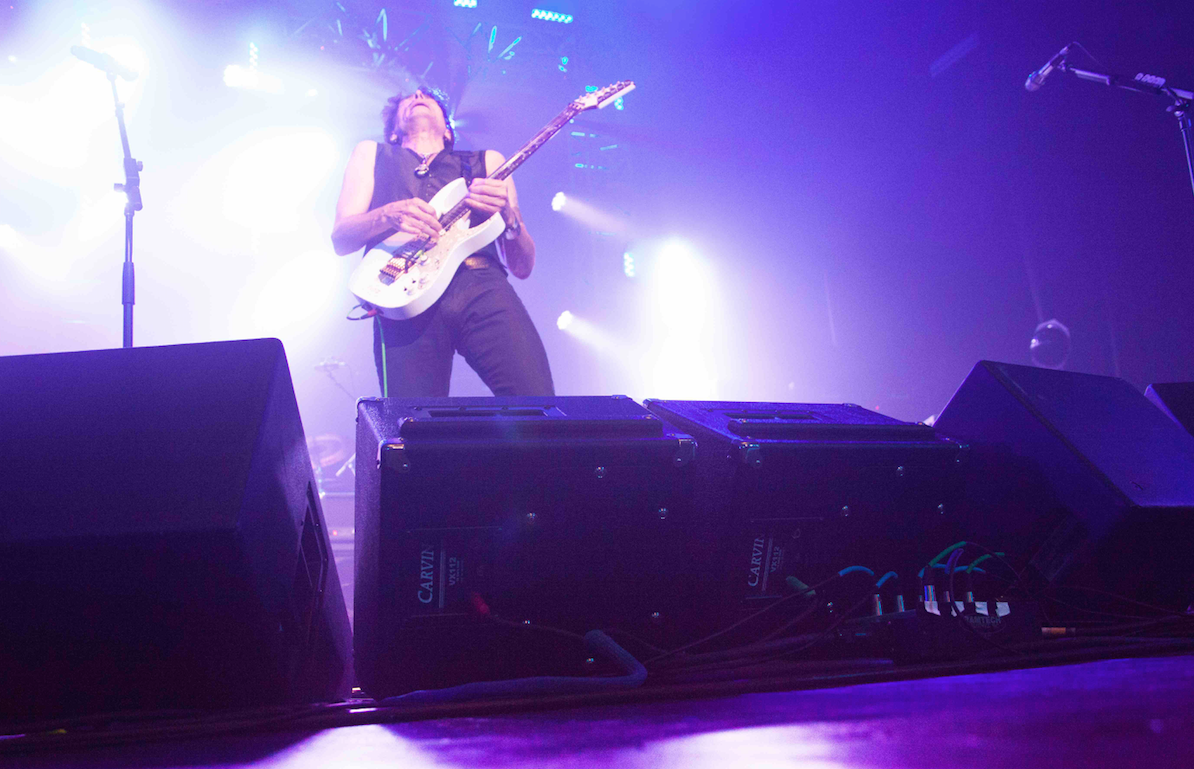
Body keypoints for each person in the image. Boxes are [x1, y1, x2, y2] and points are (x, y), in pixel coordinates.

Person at [331, 87, 554, 398]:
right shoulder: (372, 153)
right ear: (393, 132)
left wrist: (509, 215)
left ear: (449, 131)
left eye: (429, 96)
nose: (419, 94)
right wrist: (387, 215)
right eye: (409, 97)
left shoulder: (487, 162)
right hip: (401, 296)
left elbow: (522, 266)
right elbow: (341, 238)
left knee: (536, 401)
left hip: (480, 285)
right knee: (412, 426)